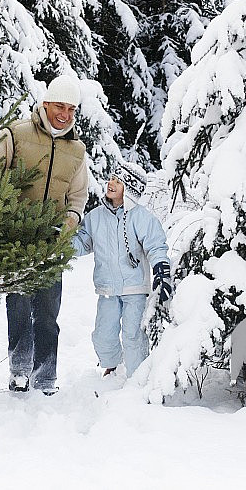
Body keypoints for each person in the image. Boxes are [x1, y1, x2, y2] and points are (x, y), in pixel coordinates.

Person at [0, 74, 89, 395]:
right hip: (17, 235)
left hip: (52, 240)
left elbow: (78, 194)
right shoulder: (17, 135)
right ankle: (19, 370)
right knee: (19, 305)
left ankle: (45, 376)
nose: (64, 114)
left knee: (48, 311)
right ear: (45, 105)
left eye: (71, 109)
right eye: (59, 106)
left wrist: (70, 219)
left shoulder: (76, 150)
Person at [72, 161, 171, 378]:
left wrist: (161, 269)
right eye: (111, 179)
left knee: (132, 335)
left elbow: (155, 245)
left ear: (130, 189)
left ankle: (137, 377)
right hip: (107, 288)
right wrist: (62, 242)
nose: (112, 184)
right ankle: (112, 367)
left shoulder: (140, 216)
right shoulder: (95, 217)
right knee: (103, 335)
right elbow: (83, 243)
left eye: (119, 181)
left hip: (135, 287)